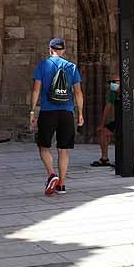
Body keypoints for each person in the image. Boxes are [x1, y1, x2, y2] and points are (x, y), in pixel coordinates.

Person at [30, 38, 84, 196]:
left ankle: (51, 174)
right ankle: (62, 184)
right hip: (67, 113)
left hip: (48, 112)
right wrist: (80, 113)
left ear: (50, 49)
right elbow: (78, 93)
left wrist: (32, 111)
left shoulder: (43, 65)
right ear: (63, 50)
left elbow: (35, 91)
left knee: (43, 146)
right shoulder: (71, 67)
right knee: (64, 150)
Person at [92, 74, 134, 168]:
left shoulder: (130, 92)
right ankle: (104, 158)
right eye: (110, 82)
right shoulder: (113, 93)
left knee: (119, 133)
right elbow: (107, 109)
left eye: (114, 82)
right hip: (120, 120)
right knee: (103, 132)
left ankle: (124, 159)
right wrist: (102, 124)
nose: (111, 84)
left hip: (133, 120)